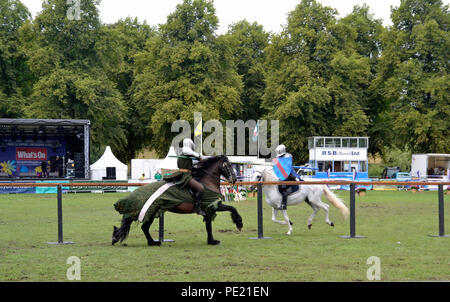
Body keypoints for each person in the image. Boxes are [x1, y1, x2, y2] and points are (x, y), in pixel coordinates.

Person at [163, 138, 205, 215]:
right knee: (200, 188)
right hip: (185, 176)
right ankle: (197, 207)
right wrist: (198, 155)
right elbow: (187, 151)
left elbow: (192, 164)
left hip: (186, 174)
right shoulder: (185, 151)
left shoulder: (187, 155)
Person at [275, 144, 302, 210]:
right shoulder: (279, 157)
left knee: (283, 188)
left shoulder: (288, 156)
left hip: (289, 174)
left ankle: (284, 204)